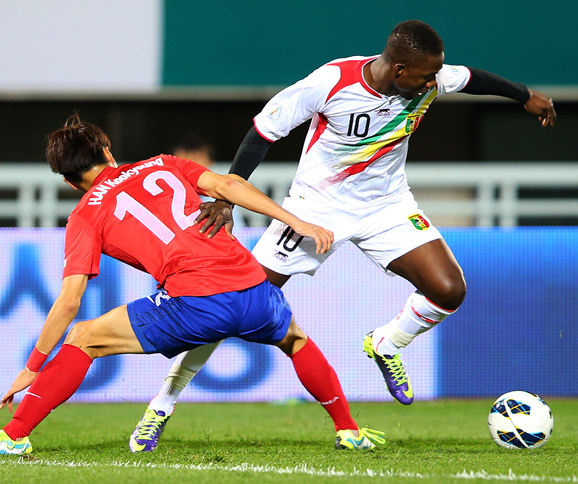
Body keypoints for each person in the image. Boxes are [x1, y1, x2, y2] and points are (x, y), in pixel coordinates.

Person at [143, 19, 557, 440]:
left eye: (436, 74)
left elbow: (471, 78)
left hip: (388, 206)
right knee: (231, 305)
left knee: (449, 289)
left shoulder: (428, 78)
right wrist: (227, 196)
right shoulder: (331, 83)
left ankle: (387, 343)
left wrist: (524, 96)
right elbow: (262, 134)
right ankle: (163, 403)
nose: (434, 83)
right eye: (425, 76)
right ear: (398, 70)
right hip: (317, 210)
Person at [0, 114, 385, 456]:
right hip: (253, 286)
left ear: (68, 182)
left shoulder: (85, 215)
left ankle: (13, 436)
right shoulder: (163, 164)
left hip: (197, 302)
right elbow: (229, 185)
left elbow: (69, 301)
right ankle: (349, 430)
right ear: (108, 150)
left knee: (83, 336)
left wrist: (32, 367)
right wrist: (296, 220)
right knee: (295, 339)